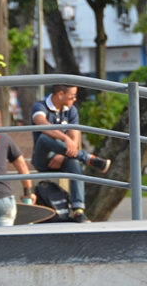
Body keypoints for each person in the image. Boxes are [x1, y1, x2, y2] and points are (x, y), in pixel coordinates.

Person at [31, 85, 111, 223]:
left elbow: (74, 140)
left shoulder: (71, 110)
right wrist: (64, 138)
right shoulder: (40, 106)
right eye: (72, 95)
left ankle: (78, 211)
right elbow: (40, 123)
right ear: (60, 94)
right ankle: (88, 158)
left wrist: (63, 154)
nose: (75, 99)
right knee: (44, 137)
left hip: (64, 157)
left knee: (74, 162)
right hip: (42, 159)